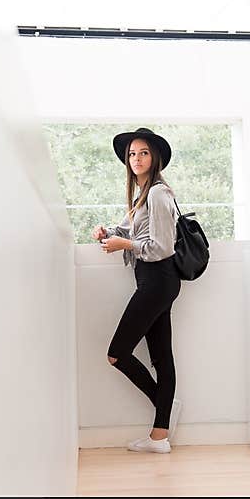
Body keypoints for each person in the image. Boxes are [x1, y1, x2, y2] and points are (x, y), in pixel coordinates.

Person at [91, 127, 183, 454]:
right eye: (132, 154)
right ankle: (160, 435)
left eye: (143, 152)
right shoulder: (143, 194)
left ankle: (165, 408)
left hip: (159, 278)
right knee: (161, 357)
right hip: (153, 280)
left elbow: (160, 246)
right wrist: (108, 233)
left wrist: (123, 244)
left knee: (117, 353)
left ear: (154, 157)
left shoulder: (158, 193)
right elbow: (132, 230)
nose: (136, 158)